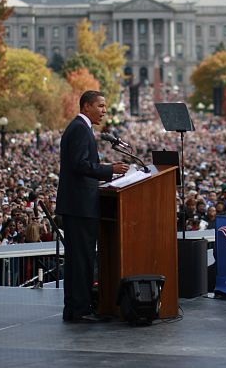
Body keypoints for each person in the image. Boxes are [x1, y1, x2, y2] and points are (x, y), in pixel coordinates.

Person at [57, 90, 129, 324]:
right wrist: (110, 170)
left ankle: (76, 308)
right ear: (86, 106)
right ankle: (79, 310)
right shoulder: (79, 128)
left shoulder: (81, 128)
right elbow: (80, 165)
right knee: (81, 260)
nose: (104, 111)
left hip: (80, 205)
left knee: (81, 259)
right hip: (80, 206)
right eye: (100, 106)